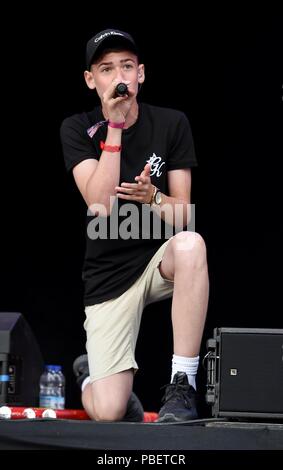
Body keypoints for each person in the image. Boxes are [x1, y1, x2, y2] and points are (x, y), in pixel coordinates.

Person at [60, 28, 209, 423]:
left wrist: (153, 198)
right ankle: (92, 375)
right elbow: (100, 205)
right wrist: (114, 126)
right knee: (108, 412)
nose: (119, 77)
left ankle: (183, 384)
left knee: (192, 244)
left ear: (141, 74)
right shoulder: (77, 128)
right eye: (107, 69)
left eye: (127, 66)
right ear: (92, 80)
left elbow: (182, 215)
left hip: (159, 262)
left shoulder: (172, 123)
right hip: (109, 274)